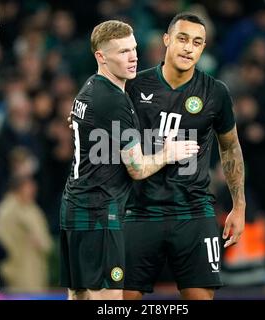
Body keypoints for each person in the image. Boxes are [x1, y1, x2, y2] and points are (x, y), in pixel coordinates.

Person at [60, 20, 199, 300]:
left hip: (74, 210)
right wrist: (170, 153)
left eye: (133, 49)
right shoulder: (113, 101)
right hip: (100, 212)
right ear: (101, 57)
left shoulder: (89, 88)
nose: (134, 57)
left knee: (79, 297)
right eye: (123, 52)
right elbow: (137, 169)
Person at [123, 13, 246, 300]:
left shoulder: (215, 92)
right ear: (166, 40)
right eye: (182, 39)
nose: (189, 47)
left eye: (197, 42)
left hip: (194, 213)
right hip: (140, 212)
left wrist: (238, 206)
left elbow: (230, 148)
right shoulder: (133, 87)